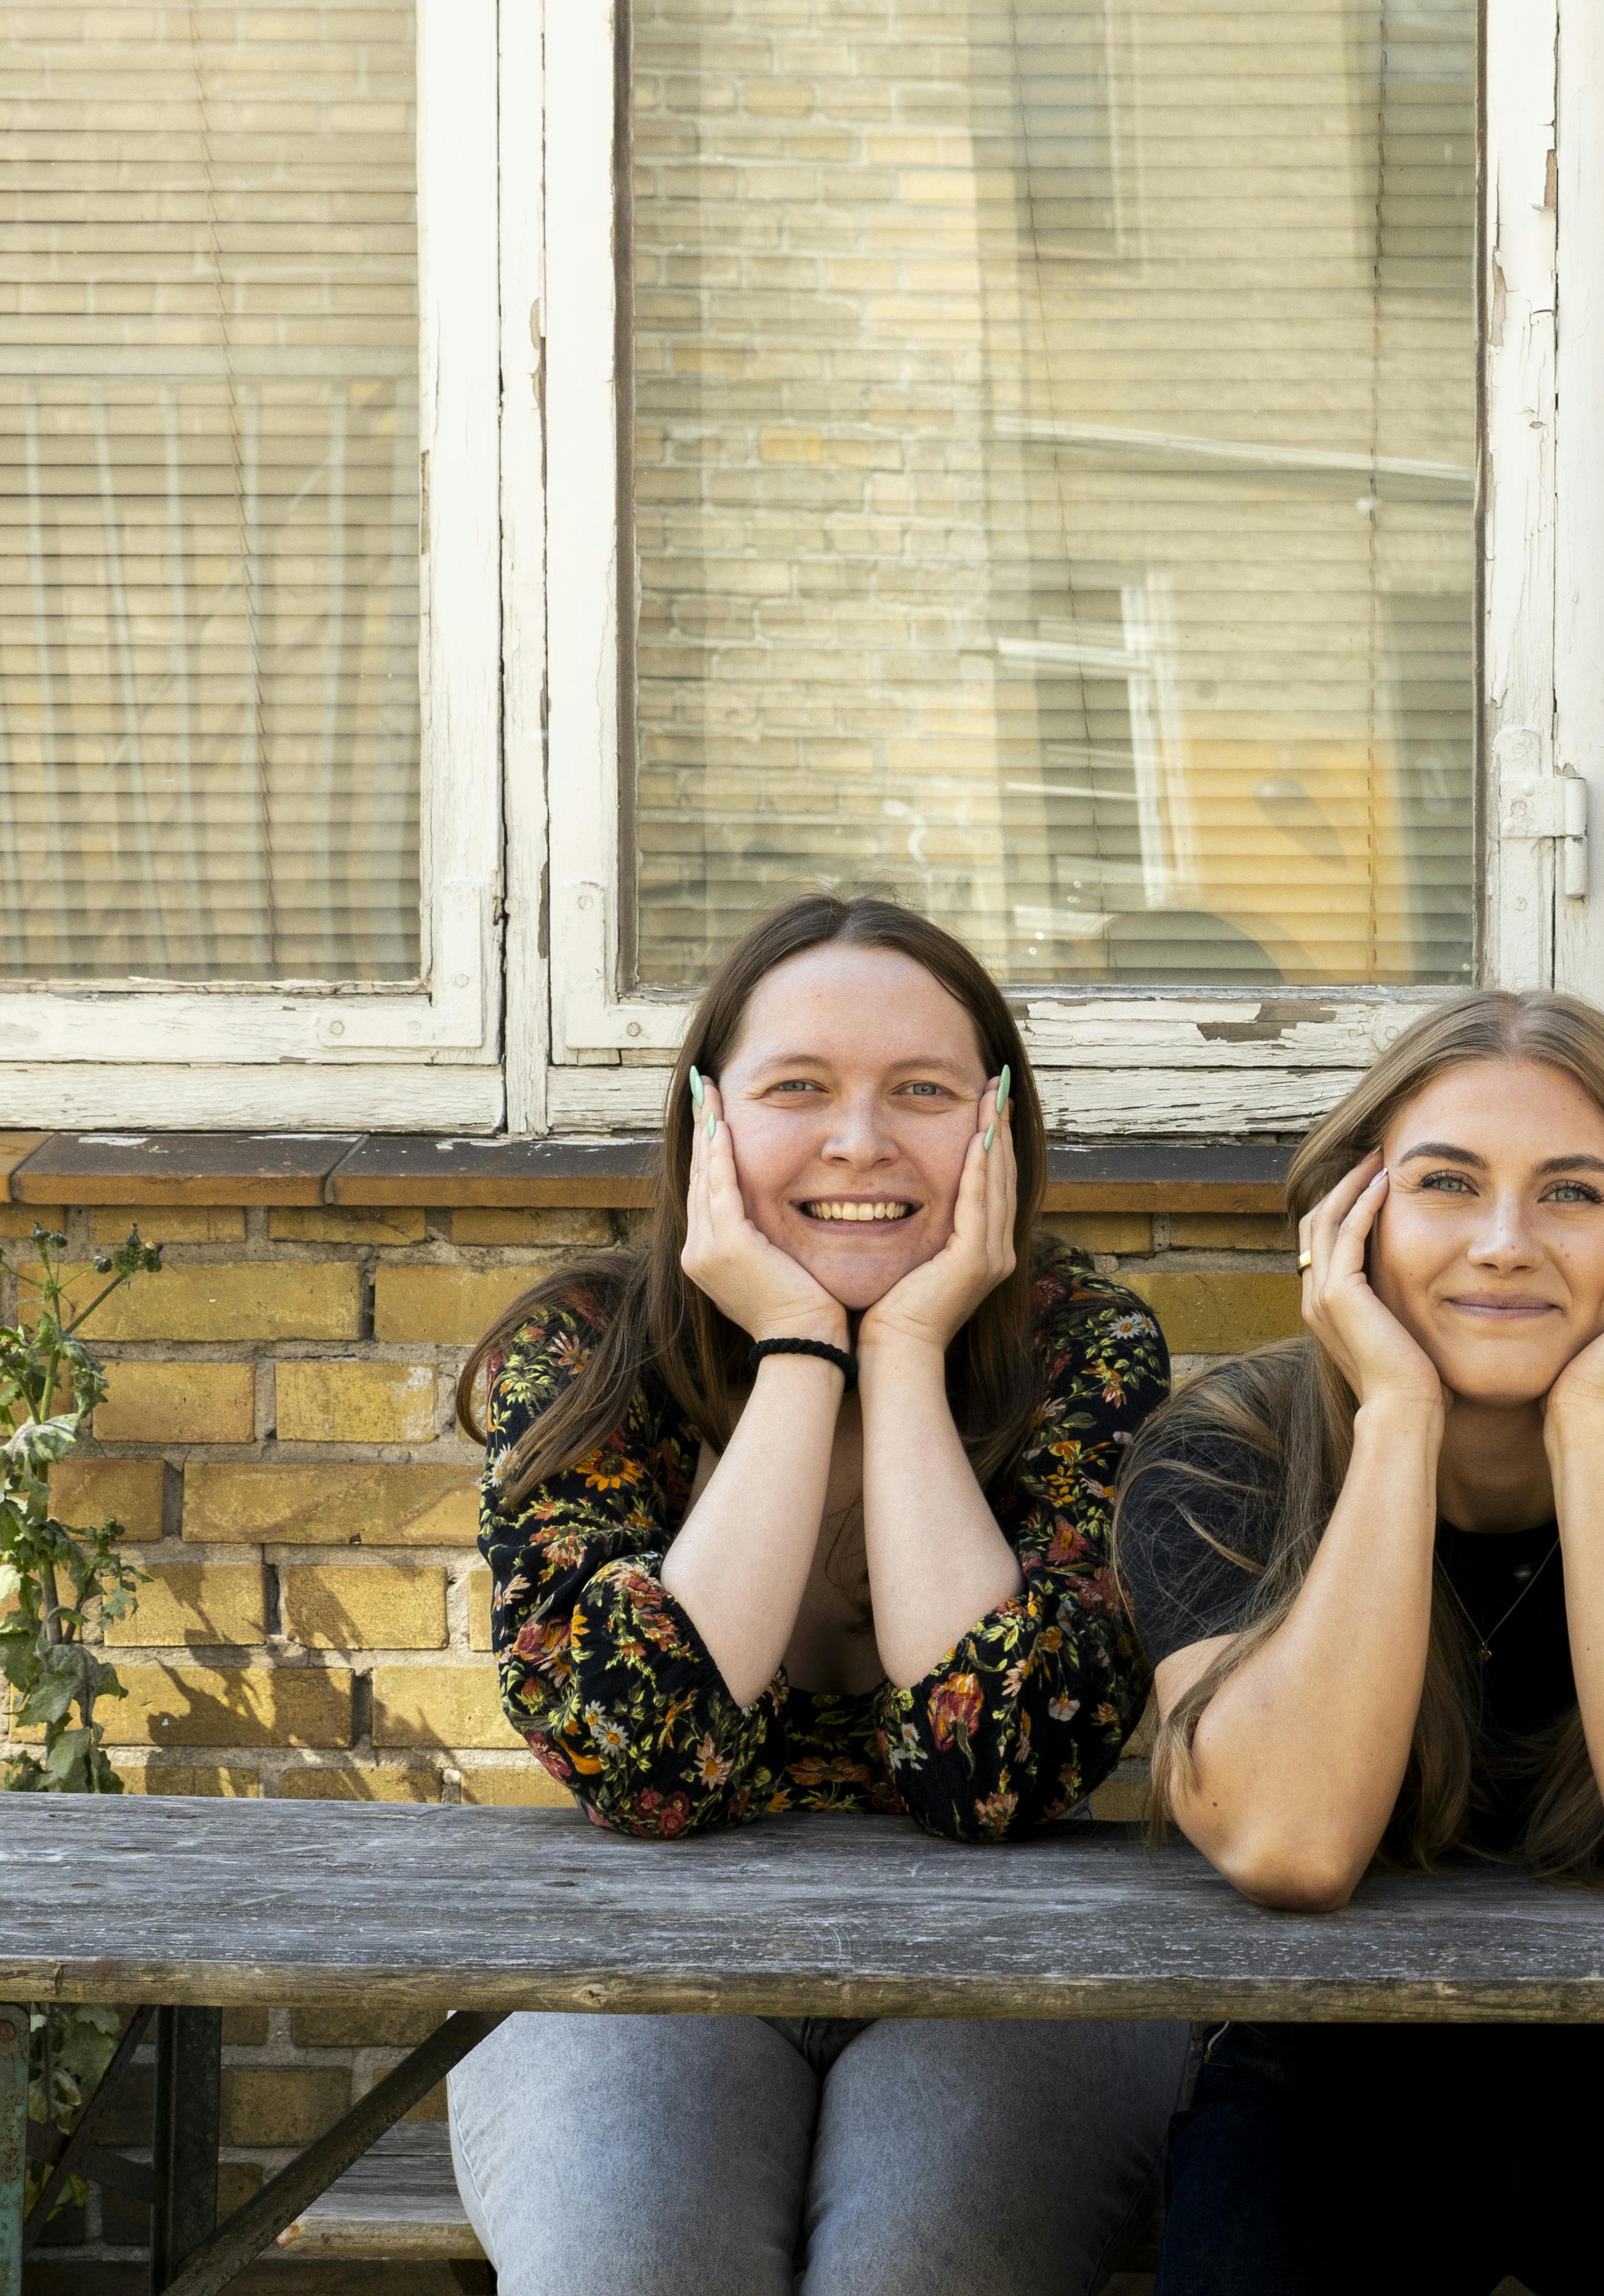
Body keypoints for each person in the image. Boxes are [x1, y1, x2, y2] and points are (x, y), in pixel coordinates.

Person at [444, 895, 1190, 2296]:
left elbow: (1000, 1773)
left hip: (1014, 1977)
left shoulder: (1083, 1347)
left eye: (922, 1089)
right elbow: (639, 1761)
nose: (861, 1140)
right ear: (707, 1121)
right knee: (641, 2265)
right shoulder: (595, 1348)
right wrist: (800, 1343)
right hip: (642, 1968)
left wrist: (904, 1346)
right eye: (800, 1088)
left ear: (998, 1124)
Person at [1118, 988, 1604, 2296]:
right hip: (1331, 2064)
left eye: (1573, 1194)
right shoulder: (1225, 1459)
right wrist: (1396, 1419)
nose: (1503, 1242)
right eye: (1446, 1183)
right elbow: (1292, 1843)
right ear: (1351, 1219)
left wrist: (1594, 1430)